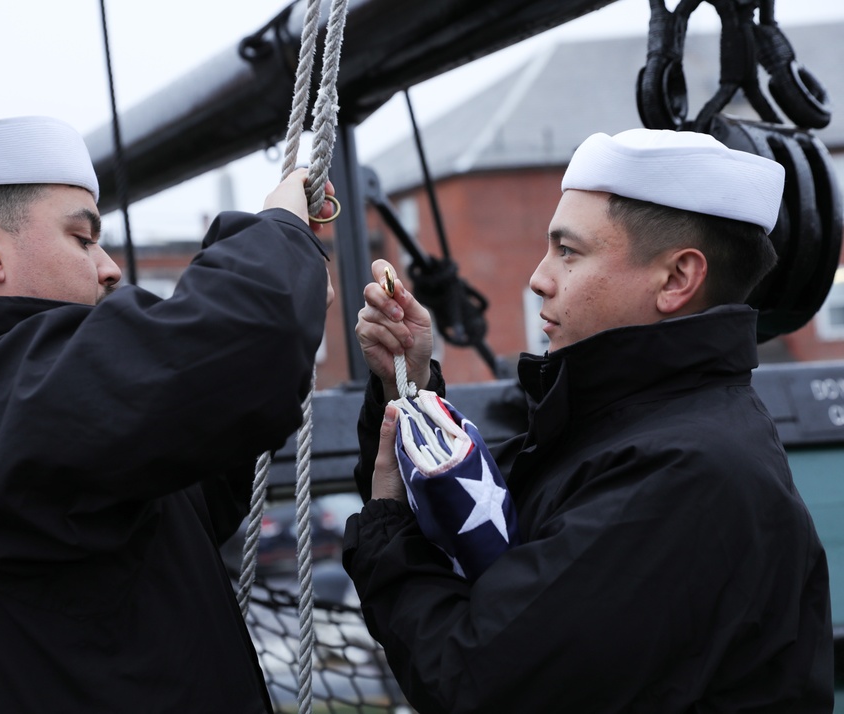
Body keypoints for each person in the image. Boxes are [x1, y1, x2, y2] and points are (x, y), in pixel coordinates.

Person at [0, 114, 336, 713]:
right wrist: (280, 237)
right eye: (82, 239)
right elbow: (246, 337)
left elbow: (189, 470)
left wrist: (290, 292)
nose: (109, 267)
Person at [343, 128, 834, 712]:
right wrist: (409, 389)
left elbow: (477, 680)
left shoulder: (681, 475)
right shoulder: (631, 432)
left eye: (569, 251)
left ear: (677, 279)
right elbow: (461, 539)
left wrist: (385, 525)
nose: (538, 278)